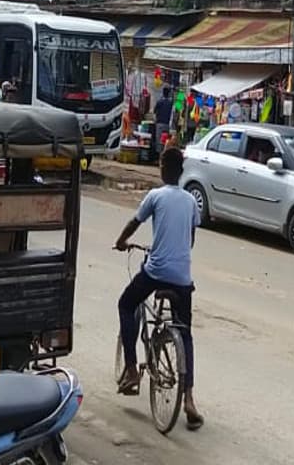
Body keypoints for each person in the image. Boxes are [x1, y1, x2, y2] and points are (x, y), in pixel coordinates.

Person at [114, 147, 204, 431]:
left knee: (126, 305)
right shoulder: (191, 202)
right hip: (182, 278)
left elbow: (134, 222)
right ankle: (189, 398)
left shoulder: (155, 196)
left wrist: (120, 241)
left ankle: (131, 369)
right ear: (182, 171)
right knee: (185, 332)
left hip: (156, 273)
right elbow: (189, 240)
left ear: (163, 168)